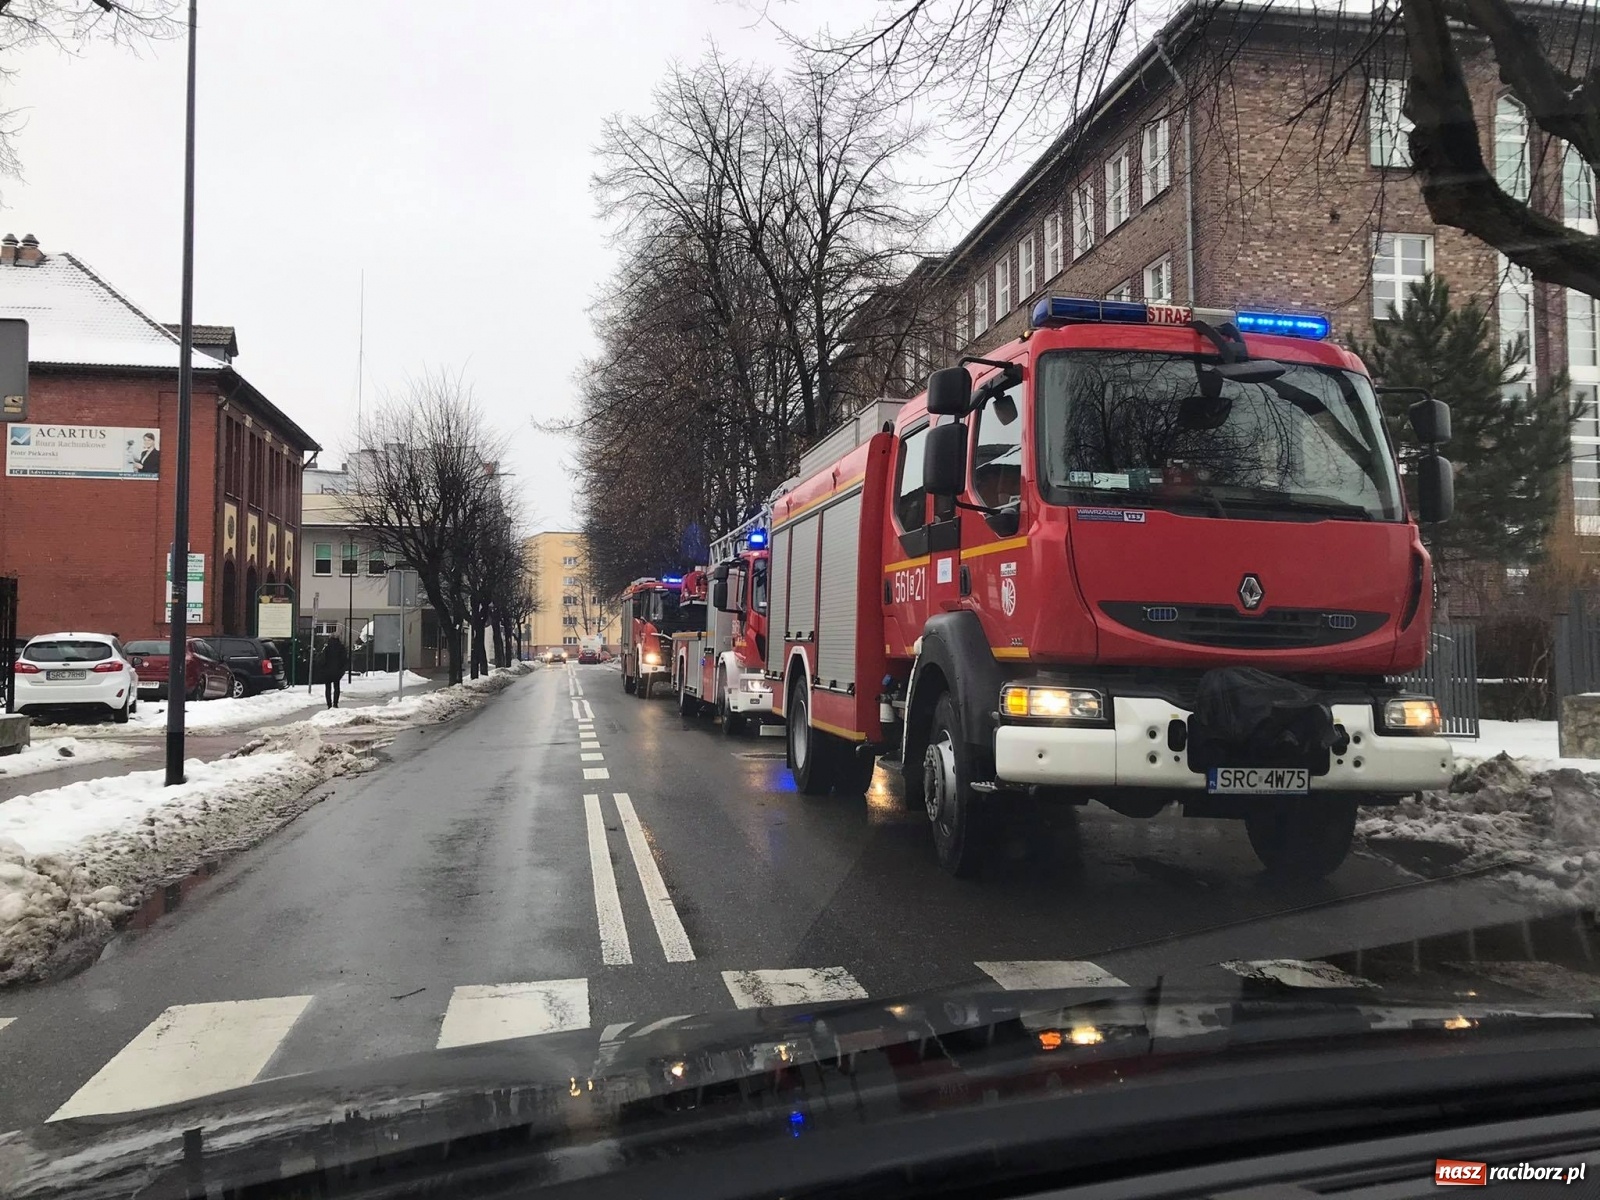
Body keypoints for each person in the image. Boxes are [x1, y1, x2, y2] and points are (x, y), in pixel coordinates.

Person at [321, 633, 348, 708]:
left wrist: (323, 668)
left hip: (327, 671)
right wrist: (341, 670)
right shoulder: (341, 648)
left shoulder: (327, 648)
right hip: (337, 671)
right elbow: (344, 660)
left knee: (328, 688)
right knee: (336, 687)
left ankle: (329, 704)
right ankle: (335, 704)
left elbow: (322, 659)